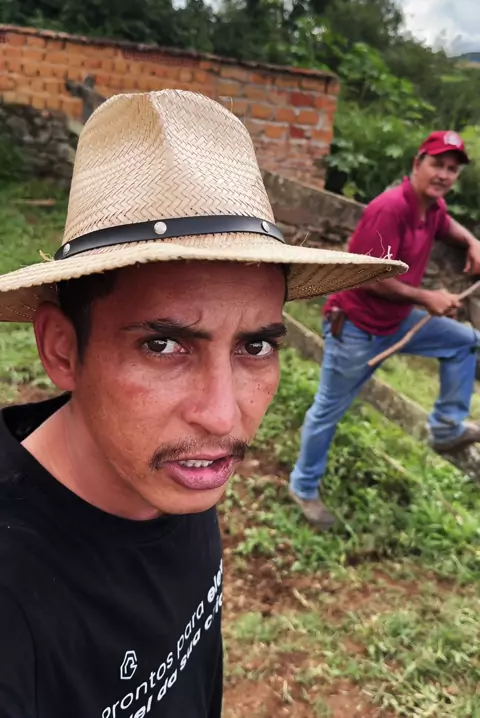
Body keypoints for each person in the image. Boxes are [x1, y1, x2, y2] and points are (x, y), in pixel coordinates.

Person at [0, 89, 404, 716]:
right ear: (62, 349)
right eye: (163, 345)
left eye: (255, 346)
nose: (221, 418)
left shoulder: (173, 470)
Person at [290, 130, 480, 530]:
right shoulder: (389, 209)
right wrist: (426, 297)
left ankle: (446, 427)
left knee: (465, 342)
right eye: (437, 164)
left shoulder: (432, 208)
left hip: (395, 321)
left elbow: (447, 225)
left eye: (452, 169)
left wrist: (472, 241)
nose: (444, 174)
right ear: (417, 163)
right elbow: (366, 274)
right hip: (356, 327)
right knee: (328, 410)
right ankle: (303, 487)